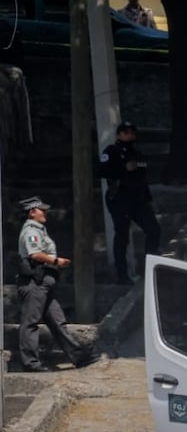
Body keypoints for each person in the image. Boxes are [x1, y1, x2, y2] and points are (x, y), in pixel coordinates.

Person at [16, 197, 98, 371]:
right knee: (30, 323)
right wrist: (55, 260)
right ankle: (30, 363)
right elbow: (35, 254)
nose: (45, 213)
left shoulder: (40, 230)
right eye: (41, 210)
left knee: (57, 321)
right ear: (32, 212)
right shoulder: (31, 231)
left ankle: (79, 356)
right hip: (35, 282)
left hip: (43, 284)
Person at [100, 121, 162, 285]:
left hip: (138, 200)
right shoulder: (111, 151)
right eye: (126, 132)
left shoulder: (137, 153)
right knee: (122, 236)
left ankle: (151, 268)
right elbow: (102, 171)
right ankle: (122, 275)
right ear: (119, 134)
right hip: (120, 200)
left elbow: (143, 178)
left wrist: (149, 200)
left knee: (154, 229)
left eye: (132, 133)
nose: (129, 135)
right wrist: (123, 169)